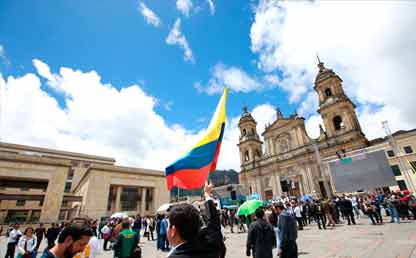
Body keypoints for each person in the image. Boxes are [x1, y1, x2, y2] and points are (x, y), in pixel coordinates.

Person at [166, 184, 224, 258]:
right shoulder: (210, 246)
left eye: (168, 226)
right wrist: (207, 195)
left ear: (173, 231)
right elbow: (214, 223)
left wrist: (207, 195)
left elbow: (214, 222)